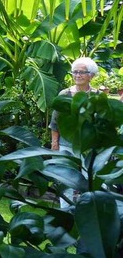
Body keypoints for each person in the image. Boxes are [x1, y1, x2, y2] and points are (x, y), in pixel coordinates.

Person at [49, 56, 99, 207]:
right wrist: (55, 142)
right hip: (65, 143)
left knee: (89, 179)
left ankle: (88, 210)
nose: (77, 75)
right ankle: (65, 211)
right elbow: (55, 121)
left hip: (88, 145)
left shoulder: (97, 95)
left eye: (82, 72)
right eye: (75, 72)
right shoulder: (64, 94)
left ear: (91, 75)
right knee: (65, 179)